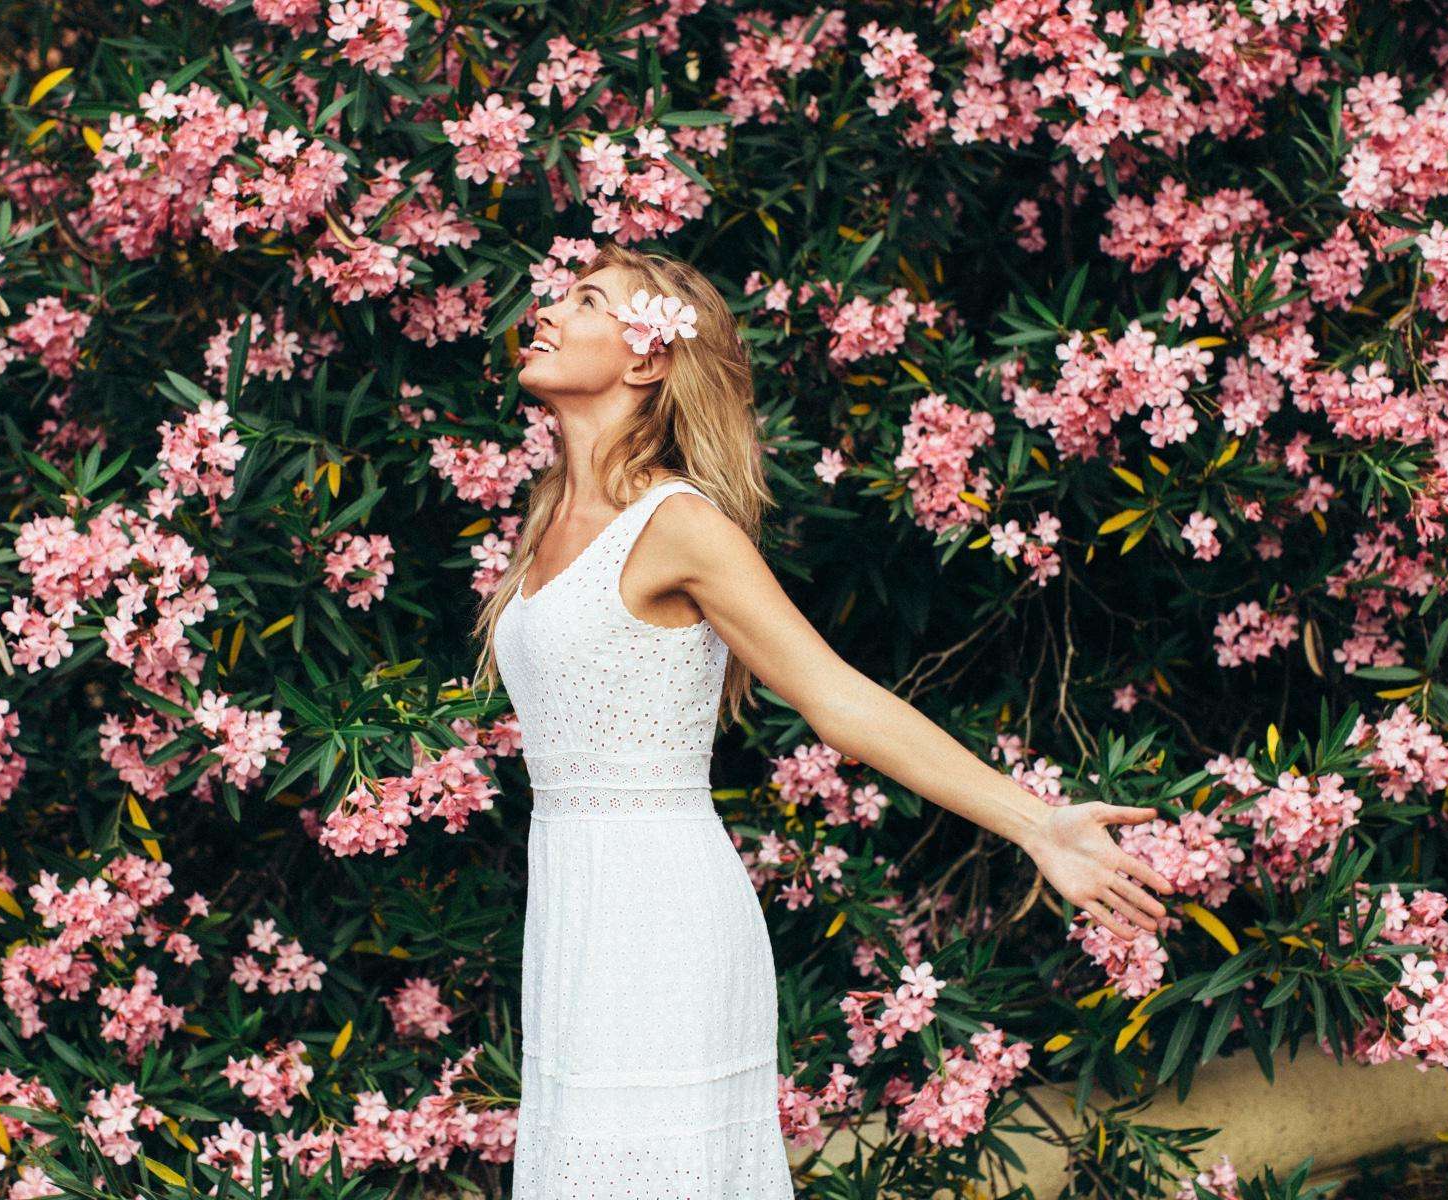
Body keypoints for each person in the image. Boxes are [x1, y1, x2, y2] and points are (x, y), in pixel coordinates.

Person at [470, 242, 1175, 1198]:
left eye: (585, 299)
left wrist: (1036, 822)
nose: (544, 312)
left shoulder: (678, 525)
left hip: (659, 913)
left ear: (646, 359)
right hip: (575, 909)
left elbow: (832, 695)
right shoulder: (550, 513)